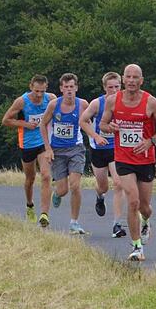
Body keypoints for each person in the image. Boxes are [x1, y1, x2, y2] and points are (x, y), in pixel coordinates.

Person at [99, 64, 156, 261]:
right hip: (123, 159)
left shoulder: (151, 102)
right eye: (128, 77)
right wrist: (110, 127)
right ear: (123, 79)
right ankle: (137, 247)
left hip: (145, 159)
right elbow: (102, 124)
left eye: (135, 77)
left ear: (141, 80)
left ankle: (146, 220)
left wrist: (151, 141)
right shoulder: (113, 101)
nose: (131, 80)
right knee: (133, 200)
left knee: (145, 207)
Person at [1, 75, 56, 226]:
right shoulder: (22, 101)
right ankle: (30, 205)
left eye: (42, 91)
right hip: (27, 144)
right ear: (31, 86)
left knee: (46, 176)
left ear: (46, 87)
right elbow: (5, 120)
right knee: (30, 179)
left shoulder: (51, 98)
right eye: (36, 91)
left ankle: (44, 214)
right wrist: (25, 124)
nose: (39, 95)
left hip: (44, 142)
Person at [40, 72, 90, 234]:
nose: (69, 90)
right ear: (61, 88)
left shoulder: (83, 104)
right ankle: (57, 193)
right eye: (66, 87)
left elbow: (91, 121)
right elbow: (43, 124)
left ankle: (74, 222)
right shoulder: (54, 105)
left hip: (76, 148)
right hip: (58, 150)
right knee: (63, 190)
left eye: (72, 87)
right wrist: (47, 148)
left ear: (76, 88)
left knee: (75, 185)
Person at [79, 71, 127, 238]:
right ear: (105, 88)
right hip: (98, 149)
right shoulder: (97, 104)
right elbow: (83, 121)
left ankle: (117, 224)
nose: (114, 90)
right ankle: (100, 197)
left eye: (117, 87)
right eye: (110, 87)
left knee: (119, 184)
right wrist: (96, 136)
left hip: (116, 148)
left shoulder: (125, 102)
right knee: (103, 186)